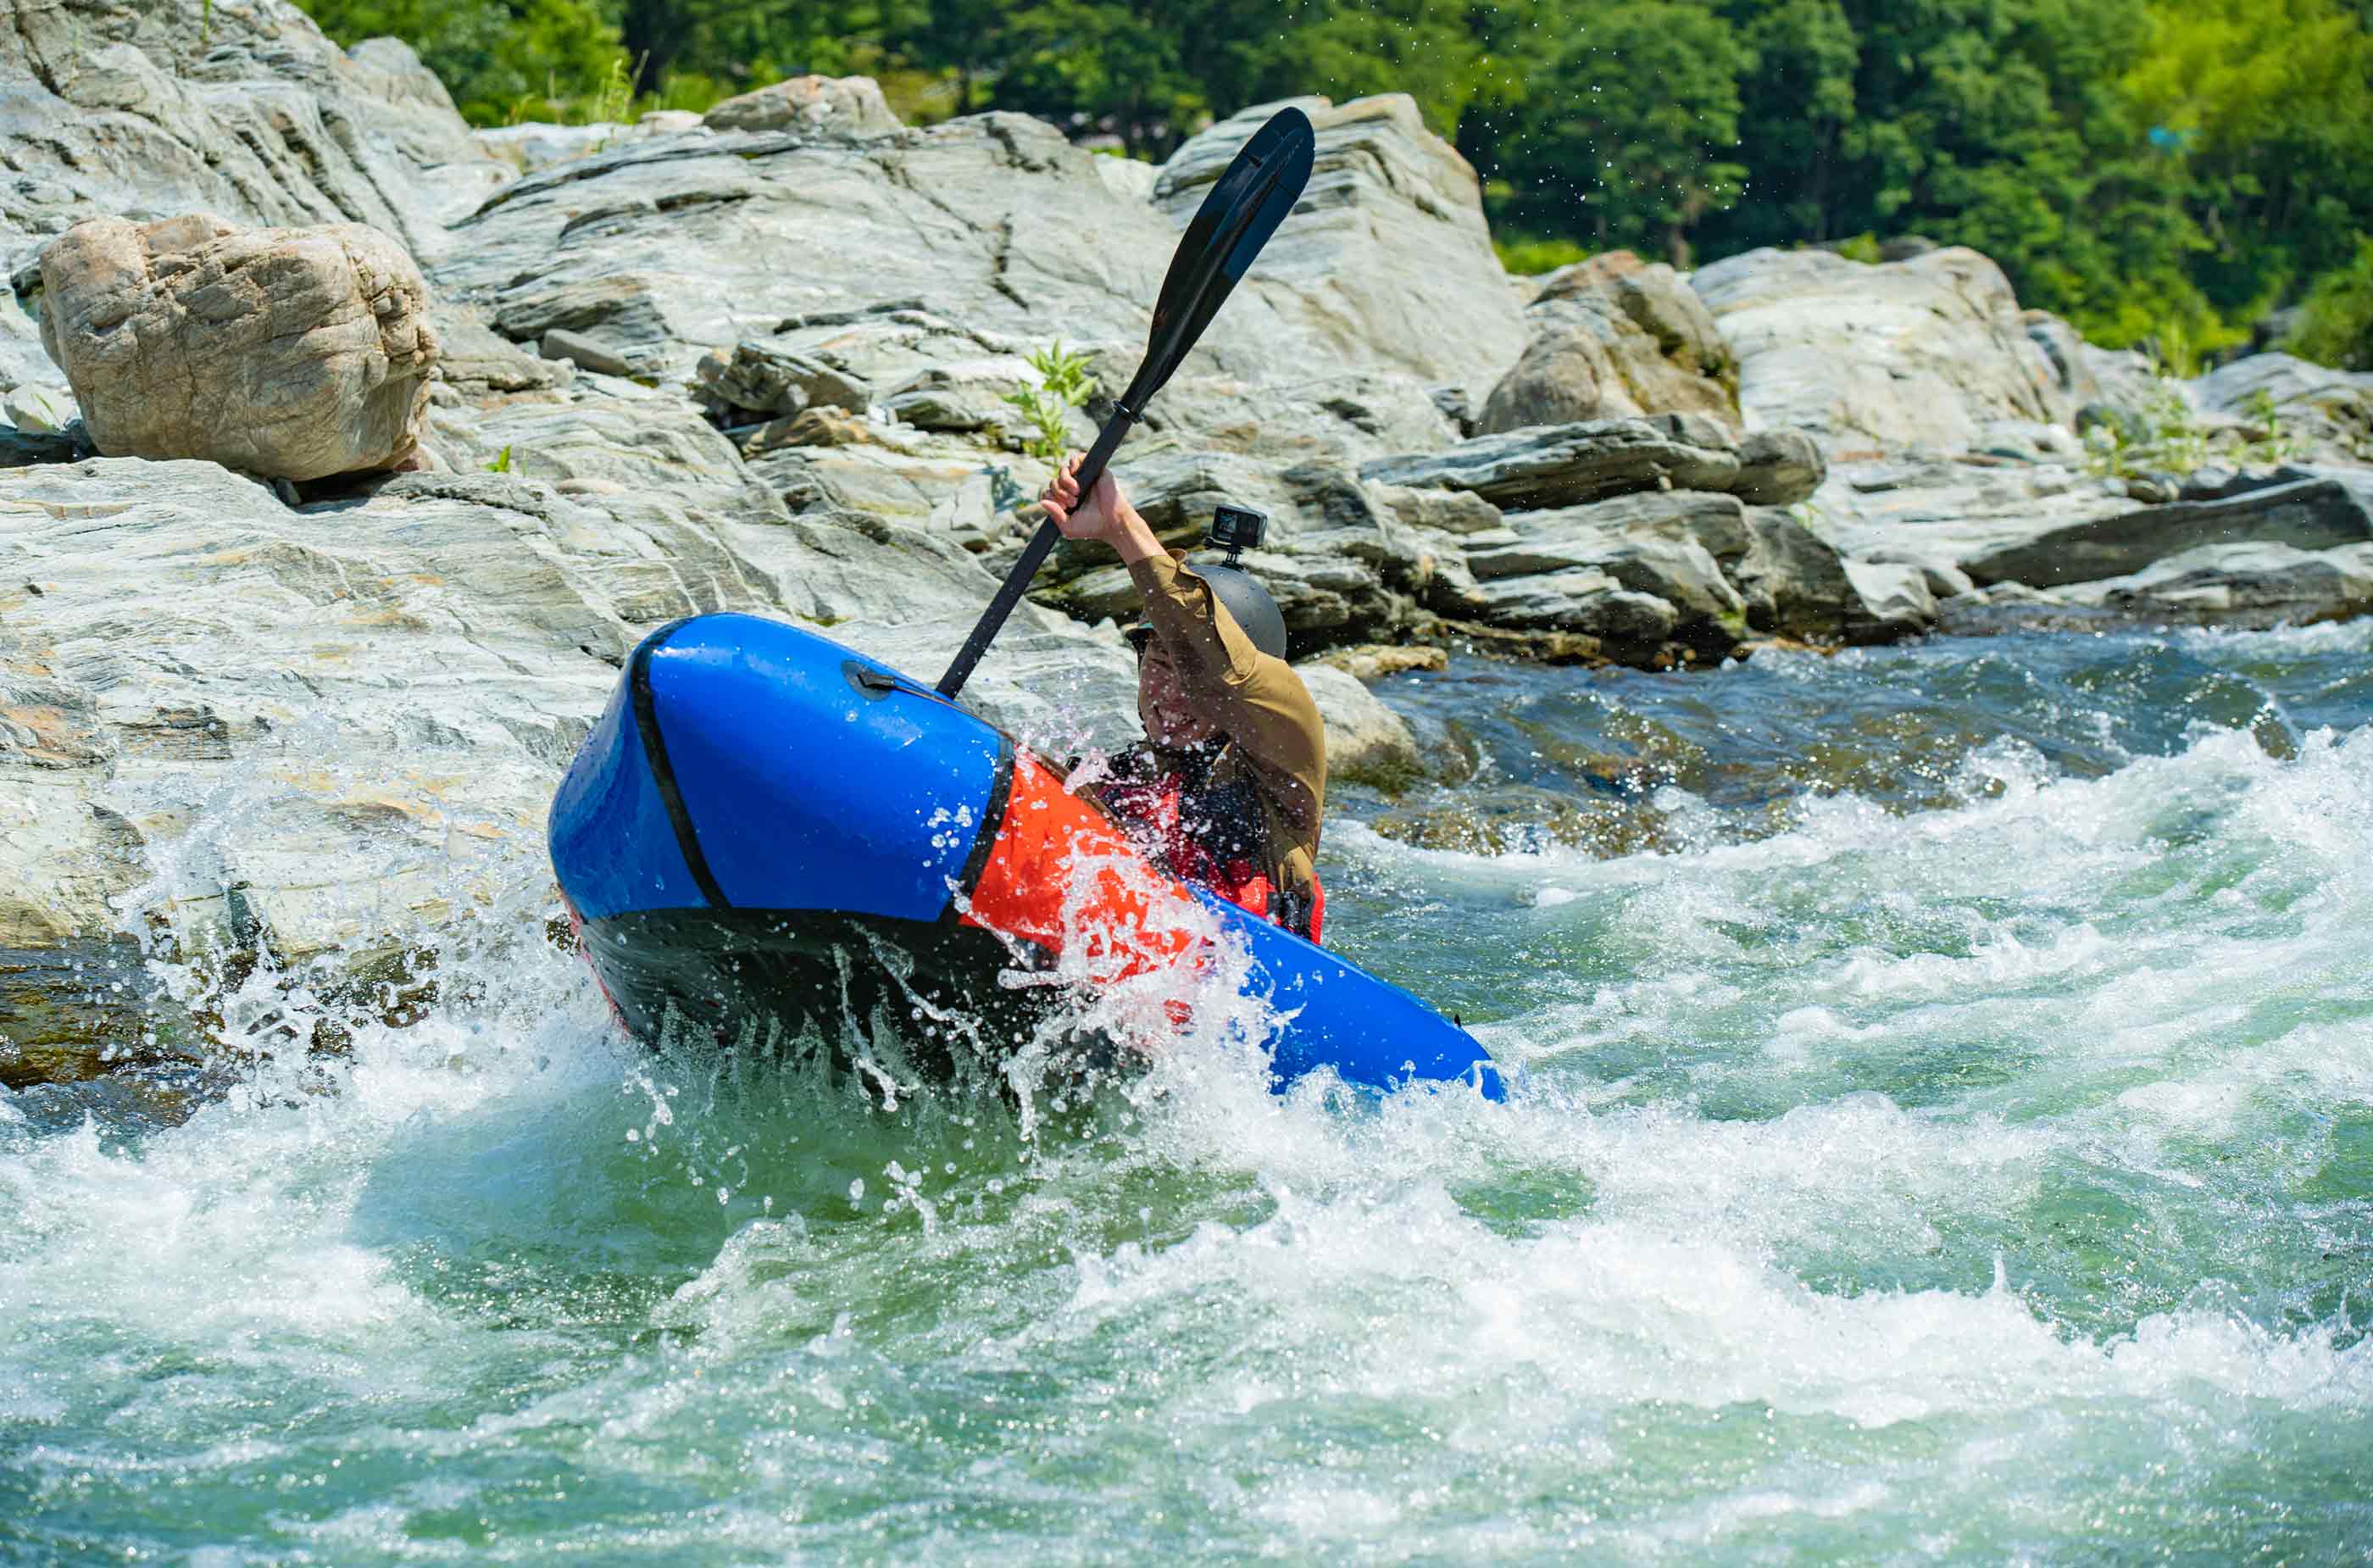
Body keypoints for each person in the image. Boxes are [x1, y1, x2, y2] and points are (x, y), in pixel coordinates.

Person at [1041, 453, 1328, 943]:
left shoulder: (1285, 778)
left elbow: (1222, 668)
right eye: (1157, 665)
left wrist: (1121, 526)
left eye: (1190, 677)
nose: (1171, 693)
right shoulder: (1107, 779)